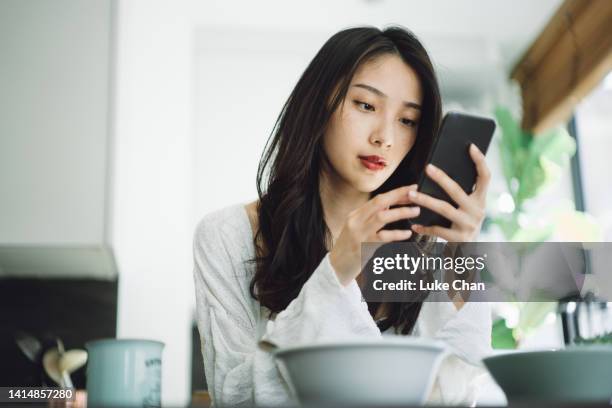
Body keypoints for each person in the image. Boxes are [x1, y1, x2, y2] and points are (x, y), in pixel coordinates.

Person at [193, 25, 492, 407]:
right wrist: (335, 272)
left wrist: (462, 259)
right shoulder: (226, 235)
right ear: (319, 104)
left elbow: (456, 392)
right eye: (366, 105)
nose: (385, 137)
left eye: (407, 120)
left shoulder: (420, 246)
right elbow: (233, 398)